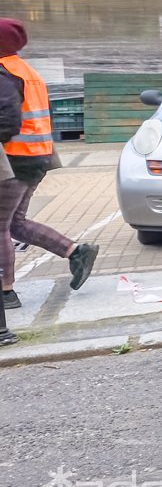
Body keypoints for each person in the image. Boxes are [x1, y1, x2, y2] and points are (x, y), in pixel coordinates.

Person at [1, 19, 97, 311]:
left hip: (14, 159)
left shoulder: (4, 73)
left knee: (0, 227)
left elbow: (7, 119)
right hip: (35, 157)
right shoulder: (24, 70)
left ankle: (6, 292)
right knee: (14, 224)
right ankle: (75, 251)